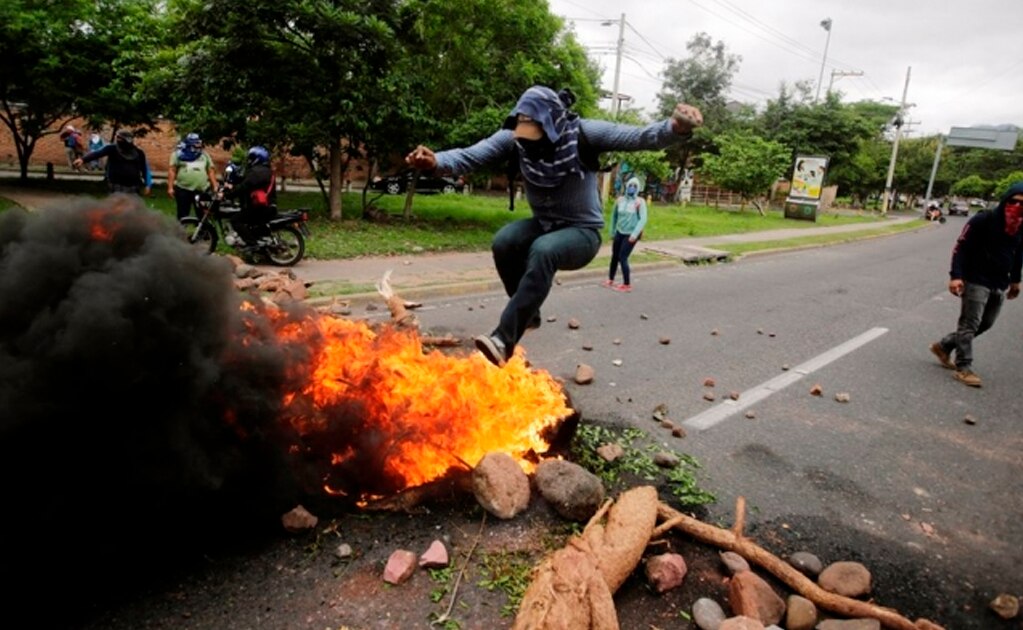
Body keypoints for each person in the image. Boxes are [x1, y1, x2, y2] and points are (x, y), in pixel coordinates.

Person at [405, 85, 703, 367]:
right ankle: (529, 313)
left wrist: (674, 128)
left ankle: (503, 340)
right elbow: (470, 155)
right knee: (504, 242)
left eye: (534, 137)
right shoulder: (514, 137)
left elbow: (638, 137)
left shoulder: (584, 133)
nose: (527, 144)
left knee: (543, 250)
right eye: (522, 135)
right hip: (544, 224)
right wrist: (434, 162)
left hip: (582, 234)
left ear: (552, 127)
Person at [930, 181, 1023, 387]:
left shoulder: (1019, 227)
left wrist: (1016, 280)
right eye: (1013, 201)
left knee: (986, 323)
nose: (1017, 207)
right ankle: (964, 367)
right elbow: (961, 247)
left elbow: (1018, 254)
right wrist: (956, 275)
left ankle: (944, 346)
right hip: (976, 278)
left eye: (1022, 204)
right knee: (969, 324)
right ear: (1005, 200)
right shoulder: (984, 219)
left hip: (1000, 281)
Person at [220, 145, 276, 246]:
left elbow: (244, 187)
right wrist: (233, 187)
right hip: (268, 206)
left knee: (235, 220)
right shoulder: (266, 171)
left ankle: (252, 245)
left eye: (251, 158)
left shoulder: (256, 172)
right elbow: (246, 184)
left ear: (256, 159)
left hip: (260, 208)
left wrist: (228, 195)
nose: (249, 161)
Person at [603, 176, 648, 292]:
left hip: (631, 234)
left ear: (638, 189)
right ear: (626, 186)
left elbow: (643, 219)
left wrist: (634, 234)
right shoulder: (620, 200)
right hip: (620, 231)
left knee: (623, 257)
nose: (632, 188)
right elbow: (614, 217)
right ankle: (610, 279)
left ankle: (627, 284)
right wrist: (612, 231)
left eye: (635, 186)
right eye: (630, 185)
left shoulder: (640, 202)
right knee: (614, 256)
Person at [74, 129, 151, 195]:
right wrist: (83, 159)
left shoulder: (139, 153)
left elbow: (144, 169)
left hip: (133, 186)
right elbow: (98, 153)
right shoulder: (111, 149)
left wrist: (148, 184)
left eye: (120, 138)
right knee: (116, 207)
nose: (118, 140)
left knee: (132, 208)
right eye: (117, 137)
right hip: (116, 185)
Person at [167, 133, 219, 222]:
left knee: (203, 216)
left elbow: (210, 170)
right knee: (183, 215)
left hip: (202, 190)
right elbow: (172, 170)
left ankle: (204, 234)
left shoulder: (204, 155)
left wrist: (215, 185)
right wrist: (170, 187)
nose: (198, 146)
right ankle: (181, 234)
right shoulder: (178, 155)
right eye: (195, 144)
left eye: (199, 144)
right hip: (183, 189)